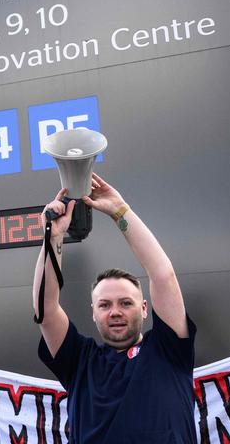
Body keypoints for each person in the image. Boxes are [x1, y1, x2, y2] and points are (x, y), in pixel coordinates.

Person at [32, 173, 197, 443]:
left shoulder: (169, 349)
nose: (116, 311)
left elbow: (162, 275)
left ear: (144, 308)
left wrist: (120, 211)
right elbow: (45, 310)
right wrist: (53, 237)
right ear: (93, 313)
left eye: (126, 303)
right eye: (105, 305)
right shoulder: (79, 361)